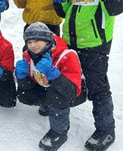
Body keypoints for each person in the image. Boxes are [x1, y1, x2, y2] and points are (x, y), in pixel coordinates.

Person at [50, 0, 123, 151]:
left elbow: (116, 9)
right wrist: (58, 1)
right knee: (68, 77)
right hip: (70, 41)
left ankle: (106, 130)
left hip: (95, 42)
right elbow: (65, 12)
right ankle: (59, 110)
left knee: (97, 86)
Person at [15, 22, 82, 151]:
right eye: (29, 42)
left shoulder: (67, 55)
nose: (32, 45)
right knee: (24, 95)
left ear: (47, 40)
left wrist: (54, 75)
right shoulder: (28, 55)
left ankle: (59, 133)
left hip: (71, 93)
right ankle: (47, 104)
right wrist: (22, 76)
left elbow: (72, 91)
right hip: (47, 88)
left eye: (36, 40)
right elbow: (28, 86)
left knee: (55, 96)